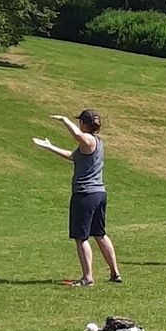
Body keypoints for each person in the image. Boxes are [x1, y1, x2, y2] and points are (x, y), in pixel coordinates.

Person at [33, 110, 122, 287]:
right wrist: (49, 147)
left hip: (85, 194)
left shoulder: (88, 140)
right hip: (99, 194)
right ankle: (115, 273)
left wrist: (64, 120)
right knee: (100, 234)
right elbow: (72, 157)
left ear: (84, 123)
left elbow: (77, 135)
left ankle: (88, 277)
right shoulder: (96, 142)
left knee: (81, 237)